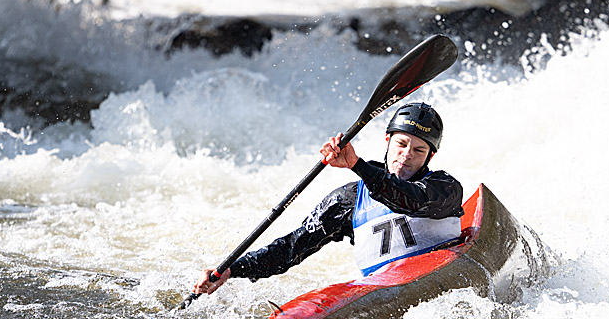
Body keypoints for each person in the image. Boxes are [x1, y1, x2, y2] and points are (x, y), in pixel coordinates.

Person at [193, 102, 464, 295]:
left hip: (440, 285)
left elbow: (411, 201)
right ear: (387, 141)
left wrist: (357, 164)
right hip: (384, 295)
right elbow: (291, 248)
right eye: (401, 144)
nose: (406, 155)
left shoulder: (445, 188)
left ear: (431, 156)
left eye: (418, 150)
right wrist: (231, 270)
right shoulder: (348, 200)